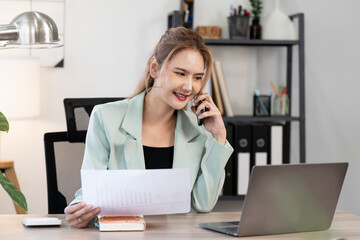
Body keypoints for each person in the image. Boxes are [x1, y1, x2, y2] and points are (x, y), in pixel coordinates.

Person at [64, 27, 234, 228]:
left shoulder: (195, 130)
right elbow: (92, 191)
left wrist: (218, 135)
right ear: (155, 68)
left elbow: (203, 204)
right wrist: (78, 209)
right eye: (181, 73)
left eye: (197, 77)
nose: (189, 87)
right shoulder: (105, 117)